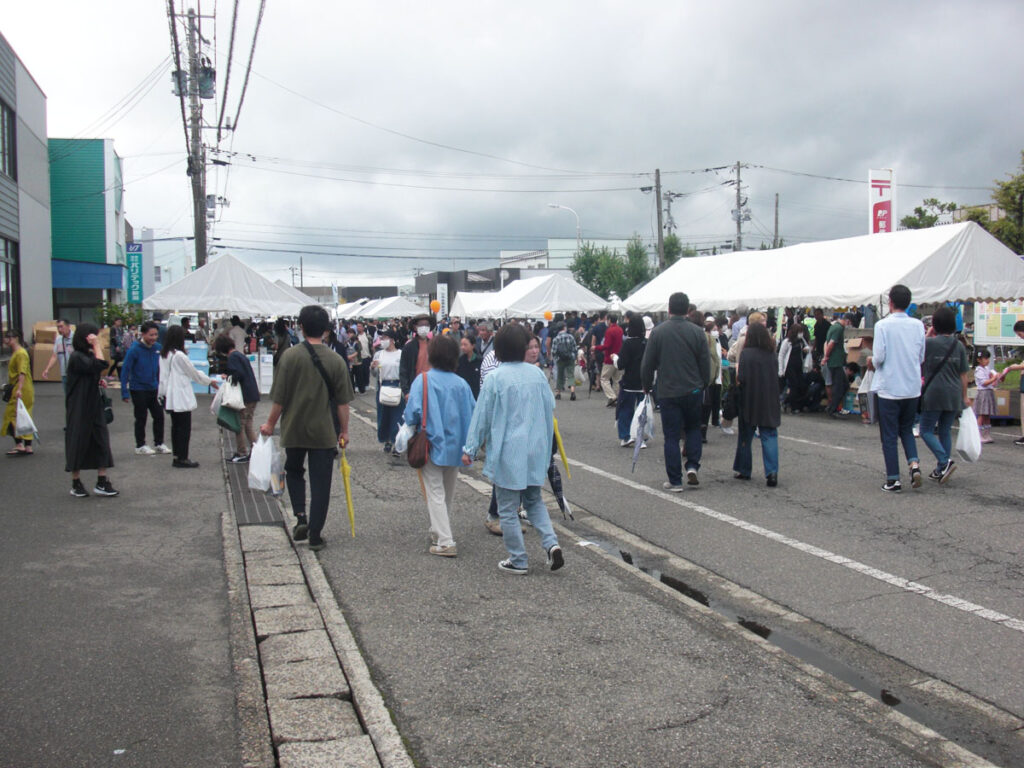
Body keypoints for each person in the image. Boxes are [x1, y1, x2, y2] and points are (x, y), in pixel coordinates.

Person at [463, 325, 564, 574]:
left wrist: (471, 448)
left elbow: (482, 416)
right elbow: (549, 406)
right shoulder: (537, 375)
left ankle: (518, 559)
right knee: (534, 500)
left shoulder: (496, 378)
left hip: (509, 451)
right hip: (536, 448)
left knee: (507, 508)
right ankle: (551, 544)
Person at [261, 305, 353, 552]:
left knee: (293, 470)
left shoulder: (289, 357)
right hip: (324, 431)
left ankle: (300, 516)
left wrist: (270, 423)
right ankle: (315, 533)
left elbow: (279, 398)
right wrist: (344, 431)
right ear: (326, 330)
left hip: (294, 428)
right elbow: (343, 404)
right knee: (321, 482)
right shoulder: (336, 360)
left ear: (300, 327)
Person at [404, 335, 476, 558]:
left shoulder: (423, 380)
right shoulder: (461, 384)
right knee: (447, 492)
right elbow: (473, 414)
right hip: (457, 447)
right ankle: (438, 531)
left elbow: (412, 413)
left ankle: (444, 540)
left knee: (434, 491)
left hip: (431, 445)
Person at [641, 292, 710, 491]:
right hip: (693, 389)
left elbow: (648, 364)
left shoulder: (659, 332)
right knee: (693, 429)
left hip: (669, 390)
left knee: (671, 436)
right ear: (688, 309)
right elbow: (705, 363)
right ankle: (692, 466)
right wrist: (703, 383)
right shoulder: (697, 332)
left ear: (669, 309)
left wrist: (646, 385)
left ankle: (675, 480)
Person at [867, 284, 926, 492]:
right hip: (911, 386)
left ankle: (893, 478)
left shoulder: (883, 326)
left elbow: (880, 357)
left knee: (889, 434)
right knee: (907, 429)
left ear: (890, 302)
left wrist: (870, 360)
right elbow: (921, 357)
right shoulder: (918, 326)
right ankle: (914, 463)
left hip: (889, 387)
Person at [64, 323, 118, 497]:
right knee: (78, 441)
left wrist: (97, 381)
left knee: (101, 439)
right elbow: (101, 363)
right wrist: (96, 345)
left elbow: (97, 368)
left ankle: (102, 481)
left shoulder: (86, 355)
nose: (96, 338)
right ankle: (76, 482)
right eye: (93, 335)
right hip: (79, 405)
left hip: (93, 403)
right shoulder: (77, 356)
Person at [918, 306, 970, 484]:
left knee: (925, 430)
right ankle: (941, 469)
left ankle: (944, 461)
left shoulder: (929, 343)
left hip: (934, 392)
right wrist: (965, 396)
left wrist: (928, 334)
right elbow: (964, 374)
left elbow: (917, 355)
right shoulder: (959, 346)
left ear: (934, 324)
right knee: (945, 431)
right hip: (954, 392)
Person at [159, 325, 219, 468]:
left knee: (175, 427)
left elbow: (162, 377)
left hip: (170, 394)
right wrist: (209, 381)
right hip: (180, 394)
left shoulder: (164, 354)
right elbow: (193, 372)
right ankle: (183, 457)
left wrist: (161, 395)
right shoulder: (179, 356)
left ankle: (177, 456)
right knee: (184, 428)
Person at [733, 323, 781, 486]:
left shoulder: (747, 354)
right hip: (769, 399)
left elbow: (742, 377)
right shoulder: (771, 354)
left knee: (746, 435)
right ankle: (772, 472)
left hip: (750, 399)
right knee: (769, 435)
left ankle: (744, 469)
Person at [120, 321, 171, 456]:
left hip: (154, 388)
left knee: (159, 416)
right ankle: (140, 445)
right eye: (150, 335)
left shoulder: (158, 348)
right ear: (143, 334)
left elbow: (163, 367)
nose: (153, 338)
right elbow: (125, 370)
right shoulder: (134, 349)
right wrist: (124, 391)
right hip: (138, 388)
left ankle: (159, 443)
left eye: (155, 335)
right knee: (141, 417)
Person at [214, 335, 260, 462]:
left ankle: (241, 452)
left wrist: (227, 376)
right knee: (248, 424)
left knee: (239, 425)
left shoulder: (233, 358)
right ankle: (256, 450)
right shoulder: (240, 355)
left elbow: (238, 374)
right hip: (253, 394)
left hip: (244, 396)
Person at [616, 316, 647, 447]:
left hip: (629, 382)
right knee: (642, 412)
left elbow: (621, 364)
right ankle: (640, 437)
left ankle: (626, 436)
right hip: (644, 382)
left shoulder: (628, 344)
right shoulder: (647, 343)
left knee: (625, 410)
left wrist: (615, 359)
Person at [371, 329, 403, 453]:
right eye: (381, 338)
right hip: (382, 385)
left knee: (397, 416)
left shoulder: (401, 354)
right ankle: (387, 440)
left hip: (397, 385)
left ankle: (397, 442)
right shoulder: (379, 355)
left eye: (385, 338)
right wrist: (373, 368)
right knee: (384, 415)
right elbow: (374, 374)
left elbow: (404, 372)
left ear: (392, 339)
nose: (382, 340)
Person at [3, 329, 34, 456]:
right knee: (24, 415)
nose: (6, 340)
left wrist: (19, 388)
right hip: (23, 387)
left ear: (15, 338)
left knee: (12, 415)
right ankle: (27, 445)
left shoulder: (20, 353)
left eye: (8, 337)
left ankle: (19, 444)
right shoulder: (18, 352)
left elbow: (22, 372)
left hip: (21, 387)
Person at [778, 323, 812, 413]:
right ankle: (793, 406)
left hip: (798, 366)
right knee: (794, 385)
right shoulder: (787, 342)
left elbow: (807, 348)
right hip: (789, 366)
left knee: (800, 385)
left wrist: (807, 350)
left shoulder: (801, 341)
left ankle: (791, 403)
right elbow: (781, 355)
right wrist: (780, 370)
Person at [823, 313, 853, 417]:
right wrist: (826, 357)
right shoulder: (838, 329)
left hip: (836, 361)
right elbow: (831, 344)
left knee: (843, 385)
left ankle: (832, 407)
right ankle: (833, 409)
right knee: (839, 386)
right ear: (847, 321)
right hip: (835, 362)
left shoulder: (834, 327)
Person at [399, 315, 433, 399]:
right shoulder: (409, 347)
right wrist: (406, 391)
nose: (424, 327)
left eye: (427, 325)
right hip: (415, 387)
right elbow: (403, 369)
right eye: (421, 325)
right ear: (415, 327)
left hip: (432, 386)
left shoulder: (434, 345)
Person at [594, 314, 624, 407]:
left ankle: (612, 396)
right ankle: (618, 397)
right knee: (617, 379)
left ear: (609, 320)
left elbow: (606, 345)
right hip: (619, 357)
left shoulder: (609, 331)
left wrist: (596, 347)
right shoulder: (620, 329)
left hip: (609, 358)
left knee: (604, 378)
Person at [41, 318, 74, 393]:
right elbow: (54, 356)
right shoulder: (59, 339)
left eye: (61, 326)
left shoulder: (75, 338)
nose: (59, 329)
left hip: (75, 373)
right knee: (68, 396)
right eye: (58, 327)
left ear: (68, 326)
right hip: (64, 373)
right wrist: (47, 369)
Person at [973, 349, 998, 444]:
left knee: (987, 415)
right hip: (983, 393)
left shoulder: (987, 369)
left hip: (989, 392)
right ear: (979, 360)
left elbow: (991, 381)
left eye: (988, 358)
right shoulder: (978, 370)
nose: (987, 360)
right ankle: (978, 435)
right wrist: (993, 378)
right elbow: (984, 383)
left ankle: (986, 434)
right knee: (982, 414)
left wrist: (996, 378)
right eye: (985, 359)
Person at [456, 335, 482, 400]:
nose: (462, 347)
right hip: (462, 395)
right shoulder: (460, 360)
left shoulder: (480, 361)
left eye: (465, 345)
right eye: (461, 345)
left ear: (473, 345)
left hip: (476, 395)